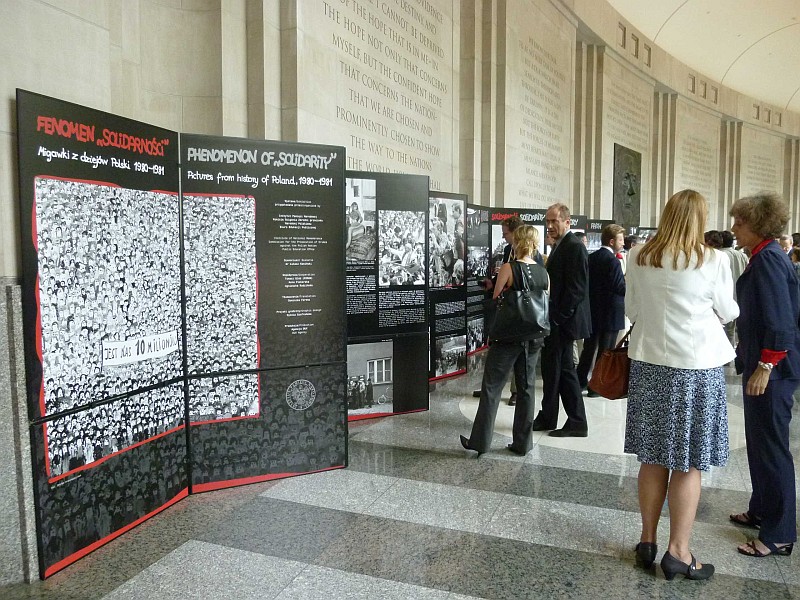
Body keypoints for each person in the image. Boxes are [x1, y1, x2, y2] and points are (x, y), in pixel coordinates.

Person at [624, 189, 738, 581]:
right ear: (700, 219)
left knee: (653, 456)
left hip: (651, 364)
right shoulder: (713, 259)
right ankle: (678, 552)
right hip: (696, 368)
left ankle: (647, 541)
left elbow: (632, 310)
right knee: (689, 462)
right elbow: (729, 310)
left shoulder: (638, 254)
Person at [729, 192, 800, 558]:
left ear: (757, 224)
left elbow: (780, 321)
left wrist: (766, 365)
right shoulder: (762, 256)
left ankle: (780, 532)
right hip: (761, 364)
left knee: (772, 447)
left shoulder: (770, 259)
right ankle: (761, 509)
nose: (734, 228)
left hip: (771, 370)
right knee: (758, 441)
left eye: (739, 222)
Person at [460, 226, 549, 456]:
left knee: (491, 388)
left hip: (508, 336)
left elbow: (496, 298)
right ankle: (523, 443)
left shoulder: (509, 268)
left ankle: (480, 442)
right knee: (527, 389)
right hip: (533, 336)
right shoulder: (543, 271)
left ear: (517, 243)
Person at [533, 203, 591, 437]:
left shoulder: (574, 247)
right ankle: (556, 417)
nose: (549, 226)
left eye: (554, 221)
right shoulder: (560, 245)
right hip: (560, 322)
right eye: (547, 221)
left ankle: (573, 421)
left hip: (563, 323)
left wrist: (557, 319)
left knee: (561, 371)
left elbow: (576, 290)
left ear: (567, 222)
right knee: (557, 371)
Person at [577, 224, 626, 396]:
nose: (623, 243)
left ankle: (580, 381)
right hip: (611, 311)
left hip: (594, 310)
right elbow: (618, 286)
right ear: (612, 241)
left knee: (589, 349)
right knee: (605, 351)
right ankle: (595, 386)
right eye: (620, 239)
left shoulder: (592, 257)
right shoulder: (613, 261)